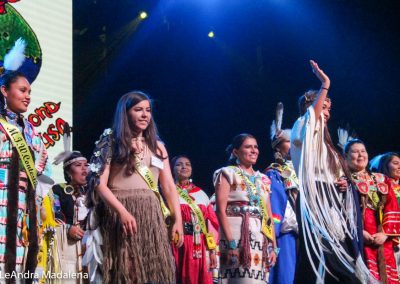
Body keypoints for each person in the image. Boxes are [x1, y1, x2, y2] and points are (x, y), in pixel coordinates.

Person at [85, 91, 183, 283]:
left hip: (152, 215)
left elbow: (169, 187)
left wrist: (177, 219)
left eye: (148, 110)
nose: (145, 115)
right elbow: (99, 184)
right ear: (125, 113)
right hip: (121, 213)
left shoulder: (158, 146)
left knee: (152, 270)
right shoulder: (111, 141)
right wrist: (121, 212)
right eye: (138, 110)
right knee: (126, 270)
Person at [290, 60, 370, 283]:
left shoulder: (328, 146)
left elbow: (335, 175)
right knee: (322, 256)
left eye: (328, 109)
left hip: (331, 199)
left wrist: (342, 184)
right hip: (315, 197)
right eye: (323, 106)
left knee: (342, 254)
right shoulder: (301, 128)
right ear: (311, 107)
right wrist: (325, 84)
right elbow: (312, 119)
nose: (326, 112)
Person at [0, 70, 51, 280]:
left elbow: (43, 173)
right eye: (22, 90)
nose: (28, 96)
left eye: (29, 91)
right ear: (4, 90)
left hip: (24, 208)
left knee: (20, 262)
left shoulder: (31, 131)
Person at [213, 133, 276, 283]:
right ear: (236, 152)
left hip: (258, 238)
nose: (254, 150)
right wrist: (231, 243)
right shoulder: (227, 173)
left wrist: (273, 246)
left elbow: (268, 216)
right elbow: (220, 210)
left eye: (256, 147)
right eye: (248, 147)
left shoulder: (263, 180)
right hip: (235, 235)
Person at [344, 139, 400, 283]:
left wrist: (385, 233)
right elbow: (340, 211)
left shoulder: (382, 179)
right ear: (346, 156)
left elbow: (392, 207)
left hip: (382, 238)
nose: (360, 155)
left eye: (363, 151)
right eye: (355, 152)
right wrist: (358, 231)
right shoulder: (343, 181)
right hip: (356, 238)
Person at [171, 155, 218, 284]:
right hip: (177, 243)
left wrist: (212, 251)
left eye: (188, 164)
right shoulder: (167, 192)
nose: (184, 167)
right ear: (172, 169)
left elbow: (211, 225)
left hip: (199, 245)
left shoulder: (201, 194)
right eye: (179, 164)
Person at [265, 102, 299, 284]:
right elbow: (277, 207)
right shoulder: (274, 173)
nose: (294, 144)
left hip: (306, 234)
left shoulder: (302, 171)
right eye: (289, 141)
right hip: (286, 233)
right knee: (286, 276)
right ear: (278, 146)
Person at [372, 152, 400, 280]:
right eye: (395, 163)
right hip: (390, 238)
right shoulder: (378, 187)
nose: (399, 167)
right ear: (385, 166)